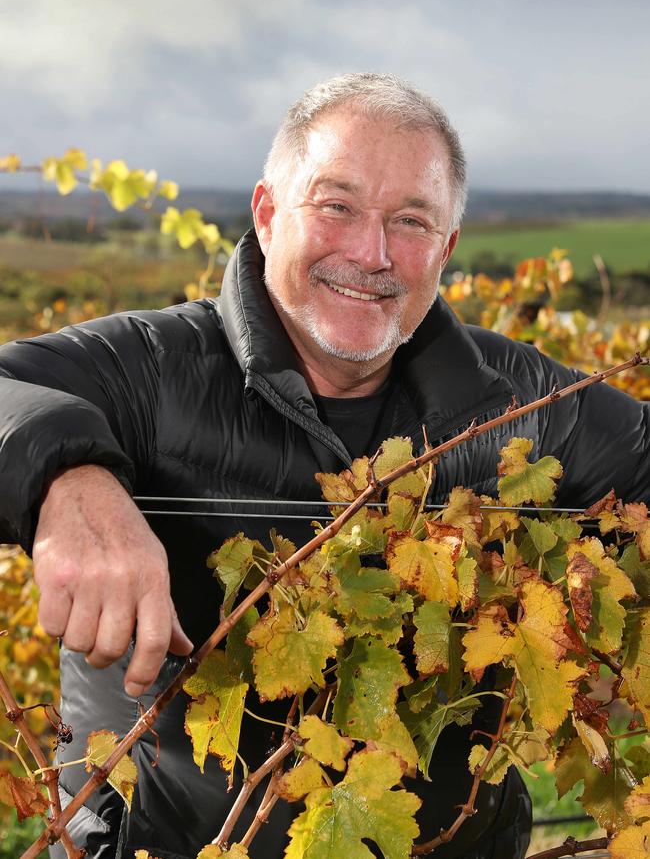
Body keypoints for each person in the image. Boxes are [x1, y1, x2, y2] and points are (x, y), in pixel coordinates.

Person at [0, 73, 648, 859]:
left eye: (410, 221)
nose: (371, 253)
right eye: (336, 205)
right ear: (268, 214)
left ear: (444, 251)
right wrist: (70, 482)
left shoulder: (515, 401)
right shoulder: (152, 367)